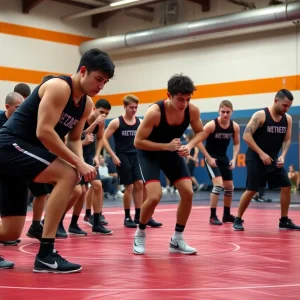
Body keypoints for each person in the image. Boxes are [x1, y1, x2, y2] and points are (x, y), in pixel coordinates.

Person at [0, 48, 115, 272]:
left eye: (105, 82)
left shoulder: (87, 105)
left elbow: (74, 140)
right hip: (9, 146)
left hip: (24, 154)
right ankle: (45, 253)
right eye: (98, 79)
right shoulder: (59, 87)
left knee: (11, 232)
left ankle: (45, 250)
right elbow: (44, 132)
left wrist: (81, 164)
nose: (100, 86)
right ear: (83, 71)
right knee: (67, 174)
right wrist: (76, 165)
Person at [132, 74, 204, 255]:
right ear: (168, 95)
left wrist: (189, 145)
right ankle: (140, 232)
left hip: (171, 152)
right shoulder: (155, 112)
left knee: (188, 192)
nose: (184, 104)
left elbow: (200, 132)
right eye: (180, 99)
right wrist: (166, 146)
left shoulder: (192, 110)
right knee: (155, 196)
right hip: (149, 154)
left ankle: (177, 239)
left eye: (188, 99)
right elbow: (138, 142)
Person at [233, 89, 300, 231]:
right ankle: (237, 219)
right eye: (284, 105)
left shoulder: (287, 119)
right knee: (252, 189)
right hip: (255, 157)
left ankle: (284, 220)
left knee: (286, 185)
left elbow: (287, 140)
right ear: (276, 100)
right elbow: (246, 136)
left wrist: (282, 155)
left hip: (272, 158)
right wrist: (261, 153)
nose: (286, 109)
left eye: (289, 106)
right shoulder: (260, 115)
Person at [104, 94, 161, 228]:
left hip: (137, 156)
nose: (134, 110)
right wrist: (113, 155)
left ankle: (141, 216)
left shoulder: (140, 122)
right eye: (131, 107)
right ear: (124, 107)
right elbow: (104, 138)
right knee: (129, 186)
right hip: (123, 156)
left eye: (136, 107)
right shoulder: (116, 122)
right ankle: (127, 216)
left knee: (140, 184)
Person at [197, 100, 240, 225]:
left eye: (228, 112)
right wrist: (208, 158)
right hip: (211, 157)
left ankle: (226, 215)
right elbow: (198, 141)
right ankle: (212, 216)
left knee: (229, 187)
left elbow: (237, 143)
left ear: (232, 112)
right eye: (223, 112)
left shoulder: (234, 126)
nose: (225, 114)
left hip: (223, 158)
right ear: (218, 111)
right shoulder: (211, 125)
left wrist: (234, 158)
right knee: (218, 185)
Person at [75, 99, 113, 235]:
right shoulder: (82, 118)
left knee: (97, 185)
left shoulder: (100, 124)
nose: (103, 115)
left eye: (106, 113)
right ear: (94, 109)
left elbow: (101, 138)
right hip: (77, 157)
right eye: (101, 112)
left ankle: (96, 222)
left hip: (89, 157)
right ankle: (70, 223)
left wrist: (97, 155)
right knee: (78, 192)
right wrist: (95, 123)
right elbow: (78, 137)